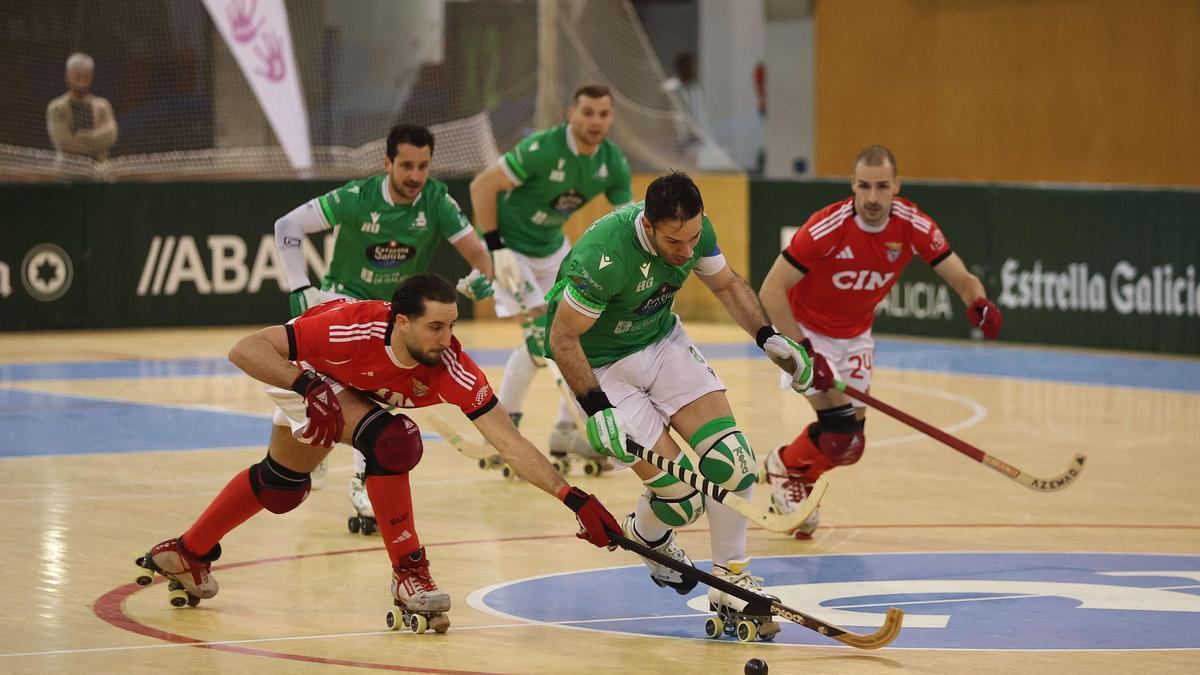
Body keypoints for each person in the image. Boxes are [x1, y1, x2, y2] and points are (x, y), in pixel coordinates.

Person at [137, 274, 619, 632]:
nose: (446, 339)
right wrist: (306, 386)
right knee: (392, 438)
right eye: (434, 327)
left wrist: (572, 497)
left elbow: (510, 442)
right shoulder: (349, 328)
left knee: (281, 486)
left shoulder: (449, 363)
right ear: (401, 321)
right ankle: (410, 574)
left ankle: (187, 552)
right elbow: (246, 349)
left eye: (451, 326)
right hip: (299, 374)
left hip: (346, 392)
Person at [544, 172, 813, 634]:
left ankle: (731, 582)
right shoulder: (603, 256)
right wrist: (595, 405)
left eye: (693, 237)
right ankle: (648, 532)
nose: (687, 251)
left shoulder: (693, 230)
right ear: (648, 226)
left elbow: (727, 285)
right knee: (683, 500)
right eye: (674, 241)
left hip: (661, 342)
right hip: (600, 365)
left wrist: (767, 337)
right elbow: (563, 337)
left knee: (734, 462)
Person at [757, 145, 1003, 539]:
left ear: (896, 186)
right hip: (806, 333)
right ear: (853, 185)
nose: (872, 198)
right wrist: (801, 348)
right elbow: (771, 290)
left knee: (850, 446)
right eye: (864, 186)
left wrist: (978, 300)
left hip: (855, 337)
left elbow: (961, 277)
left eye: (882, 186)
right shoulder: (827, 227)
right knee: (838, 428)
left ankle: (787, 468)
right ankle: (788, 472)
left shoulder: (913, 225)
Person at [273, 123, 495, 527]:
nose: (415, 175)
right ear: (387, 163)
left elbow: (479, 256)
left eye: (423, 166)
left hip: (396, 316)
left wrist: (483, 275)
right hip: (341, 306)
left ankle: (361, 480)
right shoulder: (358, 196)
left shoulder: (437, 201)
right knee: (313, 383)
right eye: (406, 165)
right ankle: (308, 438)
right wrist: (299, 286)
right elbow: (287, 227)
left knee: (378, 394)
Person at [469, 83, 633, 471]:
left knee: (580, 337)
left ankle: (567, 430)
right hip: (510, 249)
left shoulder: (612, 162)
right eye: (588, 112)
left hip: (552, 250)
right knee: (538, 338)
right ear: (570, 113)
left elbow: (629, 223)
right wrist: (494, 247)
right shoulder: (542, 149)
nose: (596, 121)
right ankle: (504, 430)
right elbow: (482, 186)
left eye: (604, 114)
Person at [46, 52, 118, 161]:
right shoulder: (56, 108)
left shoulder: (103, 105)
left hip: (100, 172)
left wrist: (81, 136)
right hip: (68, 173)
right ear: (67, 76)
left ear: (91, 77)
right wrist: (96, 141)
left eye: (85, 76)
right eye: (77, 76)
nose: (81, 82)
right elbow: (65, 144)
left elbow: (111, 136)